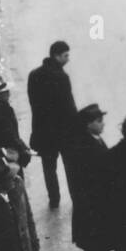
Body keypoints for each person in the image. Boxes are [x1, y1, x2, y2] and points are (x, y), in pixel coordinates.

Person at [64, 104, 115, 251]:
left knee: (99, 250)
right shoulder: (87, 147)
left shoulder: (90, 140)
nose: (103, 124)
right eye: (99, 121)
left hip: (94, 210)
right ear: (88, 124)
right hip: (93, 210)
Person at [27, 41, 76, 208]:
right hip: (63, 133)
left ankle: (54, 199)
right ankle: (75, 197)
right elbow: (69, 107)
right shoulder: (62, 77)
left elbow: (33, 103)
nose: (68, 59)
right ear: (56, 55)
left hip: (43, 132)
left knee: (49, 168)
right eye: (65, 56)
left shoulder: (34, 75)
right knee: (70, 167)